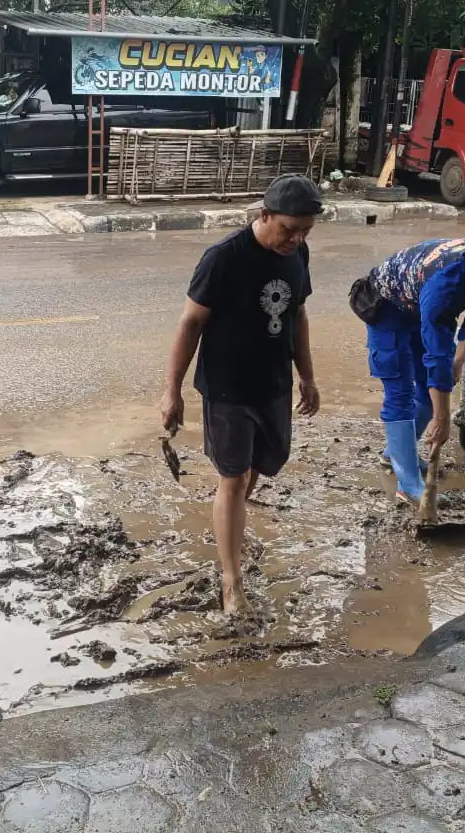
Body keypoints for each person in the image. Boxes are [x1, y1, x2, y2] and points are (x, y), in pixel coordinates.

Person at [158, 175, 321, 614]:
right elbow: (190, 323)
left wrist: (307, 376)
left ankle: (231, 526)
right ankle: (231, 583)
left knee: (259, 468)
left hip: (274, 385)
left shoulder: (298, 252)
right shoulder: (224, 258)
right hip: (227, 388)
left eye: (305, 231)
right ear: (264, 215)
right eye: (289, 229)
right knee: (233, 476)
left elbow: (298, 315)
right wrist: (172, 391)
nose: (296, 239)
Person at [358, 233, 465, 503]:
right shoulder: (444, 284)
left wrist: (459, 360)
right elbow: (437, 355)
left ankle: (395, 454)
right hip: (386, 305)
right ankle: (408, 485)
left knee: (428, 390)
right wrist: (442, 418)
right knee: (400, 390)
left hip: (418, 304)